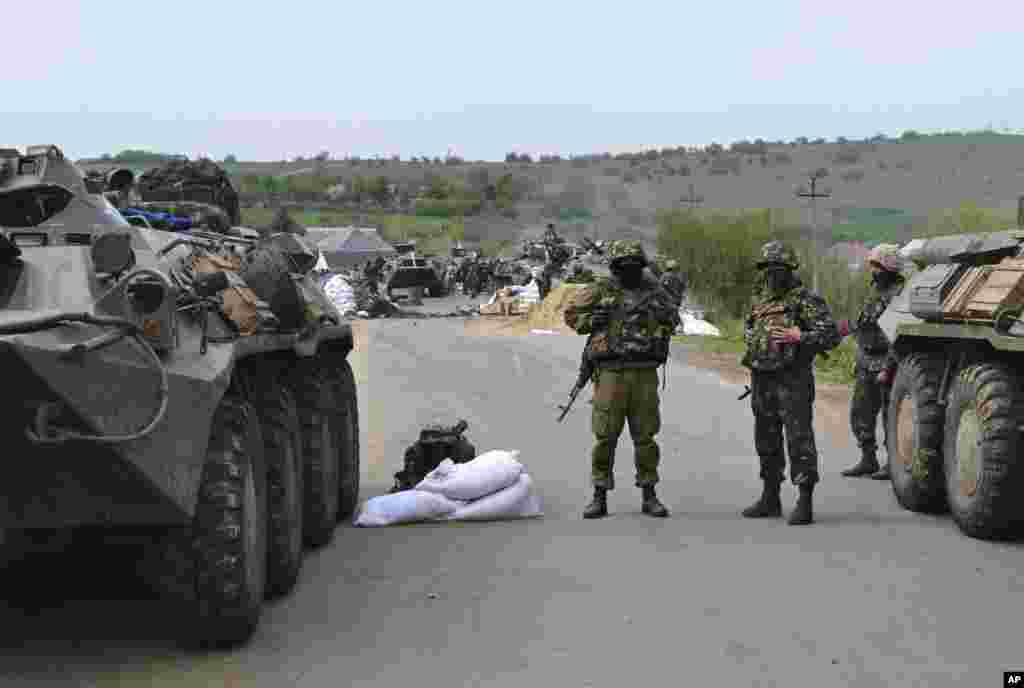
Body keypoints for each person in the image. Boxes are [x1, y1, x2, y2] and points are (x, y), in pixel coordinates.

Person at [564, 240, 681, 519]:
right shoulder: (601, 289)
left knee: (646, 438)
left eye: (635, 265)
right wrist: (593, 320)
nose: (630, 270)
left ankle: (649, 494)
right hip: (610, 373)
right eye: (623, 265)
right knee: (605, 437)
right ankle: (599, 495)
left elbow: (673, 320)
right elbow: (571, 315)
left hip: (644, 373)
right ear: (615, 267)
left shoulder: (655, 291)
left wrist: (661, 319)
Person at [740, 241, 841, 525]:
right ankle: (770, 497)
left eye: (778, 269)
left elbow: (831, 335)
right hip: (762, 378)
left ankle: (804, 500)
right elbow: (749, 327)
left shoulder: (805, 300)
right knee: (766, 440)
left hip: (792, 379)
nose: (772, 275)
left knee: (799, 440)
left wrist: (801, 337)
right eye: (768, 269)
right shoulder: (759, 299)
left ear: (790, 270)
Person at [839, 244, 907, 480]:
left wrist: (888, 368)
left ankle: (892, 464)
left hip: (888, 362)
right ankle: (868, 459)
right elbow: (865, 323)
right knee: (860, 413)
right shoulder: (875, 291)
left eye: (877, 266)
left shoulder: (899, 293)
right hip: (866, 360)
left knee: (890, 416)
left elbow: (898, 337)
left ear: (889, 267)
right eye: (873, 266)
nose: (873, 271)